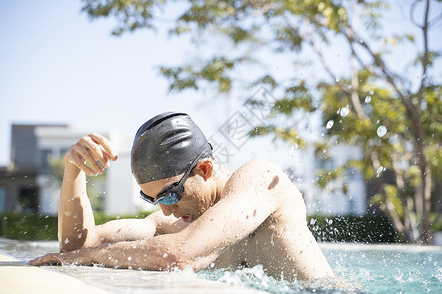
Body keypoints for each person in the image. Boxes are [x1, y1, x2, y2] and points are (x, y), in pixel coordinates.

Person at [30, 112, 334, 281]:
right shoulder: (176, 223)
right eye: (154, 200)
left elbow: (180, 254)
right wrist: (73, 172)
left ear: (204, 169)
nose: (166, 211)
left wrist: (88, 257)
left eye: (171, 194)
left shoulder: (259, 179)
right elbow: (74, 248)